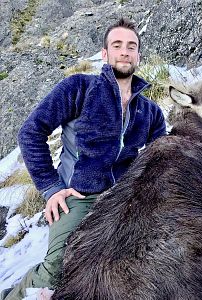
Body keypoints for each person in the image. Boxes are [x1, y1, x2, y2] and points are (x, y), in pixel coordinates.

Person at [0, 17, 166, 300]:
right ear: (105, 53)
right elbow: (31, 132)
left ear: (139, 55)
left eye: (131, 46)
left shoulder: (150, 111)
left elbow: (160, 158)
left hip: (123, 198)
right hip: (76, 195)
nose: (124, 51)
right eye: (117, 45)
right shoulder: (80, 88)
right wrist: (51, 189)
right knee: (58, 269)